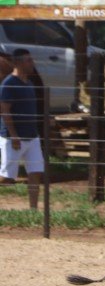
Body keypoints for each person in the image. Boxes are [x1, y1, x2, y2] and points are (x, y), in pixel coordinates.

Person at [0, 49, 44, 210]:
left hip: (32, 137)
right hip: (14, 138)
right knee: (7, 178)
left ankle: (33, 210)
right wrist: (14, 135)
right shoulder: (8, 84)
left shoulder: (29, 83)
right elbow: (4, 110)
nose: (32, 63)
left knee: (35, 172)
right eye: (28, 60)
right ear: (18, 63)